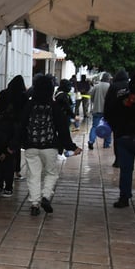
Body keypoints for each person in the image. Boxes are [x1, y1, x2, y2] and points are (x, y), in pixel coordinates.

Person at [20, 74, 83, 216]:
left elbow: (21, 125)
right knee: (51, 173)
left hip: (31, 146)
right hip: (50, 146)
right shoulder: (53, 106)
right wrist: (72, 147)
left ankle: (34, 204)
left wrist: (15, 144)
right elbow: (62, 129)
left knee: (33, 175)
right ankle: (46, 196)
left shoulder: (29, 105)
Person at [107, 71, 135, 208]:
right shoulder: (124, 99)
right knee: (132, 170)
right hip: (130, 140)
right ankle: (124, 196)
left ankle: (124, 197)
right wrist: (123, 105)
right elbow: (111, 113)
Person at [0, 75, 28, 181]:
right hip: (16, 126)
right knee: (15, 149)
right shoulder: (23, 96)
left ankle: (1, 175)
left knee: (1, 148)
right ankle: (16, 172)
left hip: (2, 124)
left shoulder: (3, 93)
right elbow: (25, 112)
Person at [105, 70, 130, 168]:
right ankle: (127, 159)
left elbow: (108, 102)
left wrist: (107, 116)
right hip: (129, 118)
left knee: (117, 138)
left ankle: (118, 160)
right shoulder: (129, 86)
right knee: (128, 138)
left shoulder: (113, 86)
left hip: (116, 118)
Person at [88, 72, 112, 149]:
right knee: (108, 127)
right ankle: (106, 144)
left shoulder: (96, 86)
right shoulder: (110, 87)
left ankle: (91, 141)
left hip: (97, 109)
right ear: (108, 79)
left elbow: (91, 97)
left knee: (94, 126)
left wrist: (94, 103)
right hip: (107, 111)